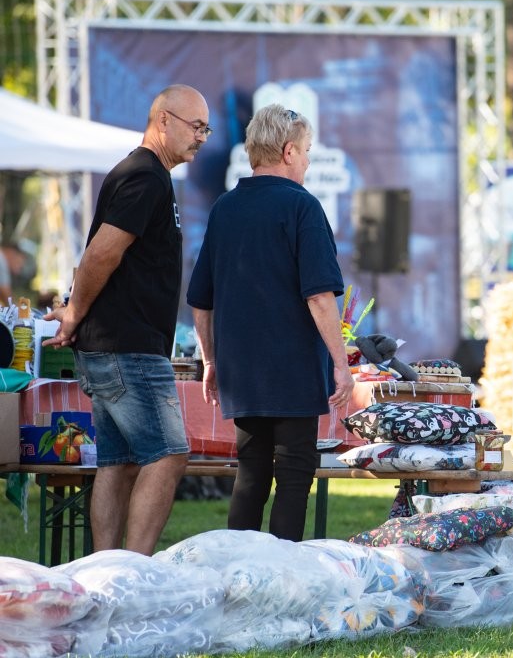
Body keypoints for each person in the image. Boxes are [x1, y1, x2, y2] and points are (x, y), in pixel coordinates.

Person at [43, 84, 209, 554]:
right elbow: (101, 253)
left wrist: (80, 315)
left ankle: (105, 571)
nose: (201, 137)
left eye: (206, 129)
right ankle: (133, 573)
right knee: (169, 455)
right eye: (195, 126)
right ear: (163, 120)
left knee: (118, 462)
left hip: (114, 345)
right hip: (126, 347)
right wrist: (75, 311)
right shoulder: (145, 175)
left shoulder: (147, 175)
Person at [187, 104, 353, 542]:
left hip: (242, 372)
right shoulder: (302, 207)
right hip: (292, 370)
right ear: (288, 150)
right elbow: (319, 295)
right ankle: (281, 584)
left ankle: (236, 575)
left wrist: (210, 360)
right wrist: (341, 364)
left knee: (251, 474)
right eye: (307, 151)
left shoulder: (224, 209)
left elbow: (200, 300)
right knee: (295, 476)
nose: (309, 160)